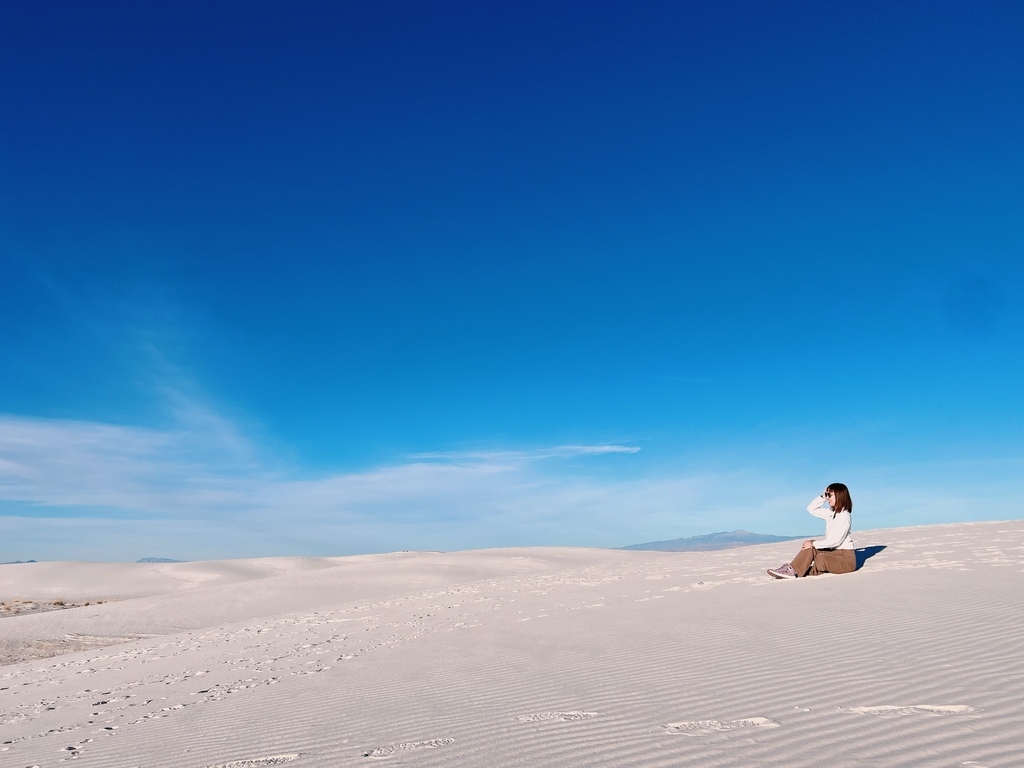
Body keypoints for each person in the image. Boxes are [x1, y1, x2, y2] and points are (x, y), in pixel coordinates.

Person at [767, 483, 856, 579]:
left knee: (820, 557)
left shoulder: (844, 516)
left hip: (846, 560)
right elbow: (811, 509)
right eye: (827, 495)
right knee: (810, 548)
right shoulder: (831, 513)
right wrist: (822, 497)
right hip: (835, 552)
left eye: (830, 495)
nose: (828, 498)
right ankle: (792, 570)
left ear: (839, 496)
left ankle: (798, 571)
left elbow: (836, 541)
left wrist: (814, 544)